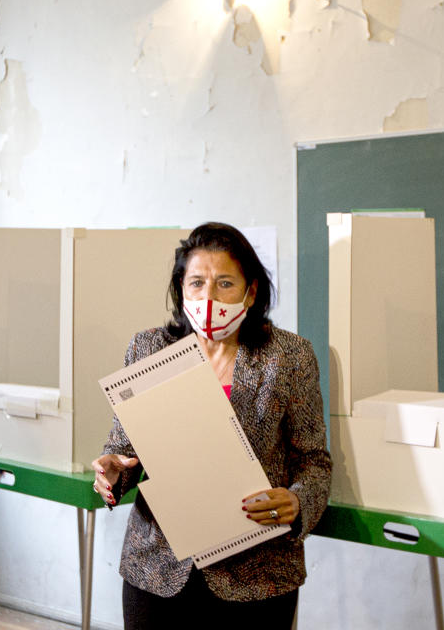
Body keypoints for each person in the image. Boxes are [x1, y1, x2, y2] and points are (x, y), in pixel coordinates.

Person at [91, 222, 331, 629]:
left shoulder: (289, 356)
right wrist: (112, 474)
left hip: (257, 574)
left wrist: (298, 502)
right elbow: (124, 451)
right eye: (197, 283)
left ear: (251, 292)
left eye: (225, 283)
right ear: (181, 290)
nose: (209, 297)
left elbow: (314, 462)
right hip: (157, 569)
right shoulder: (148, 349)